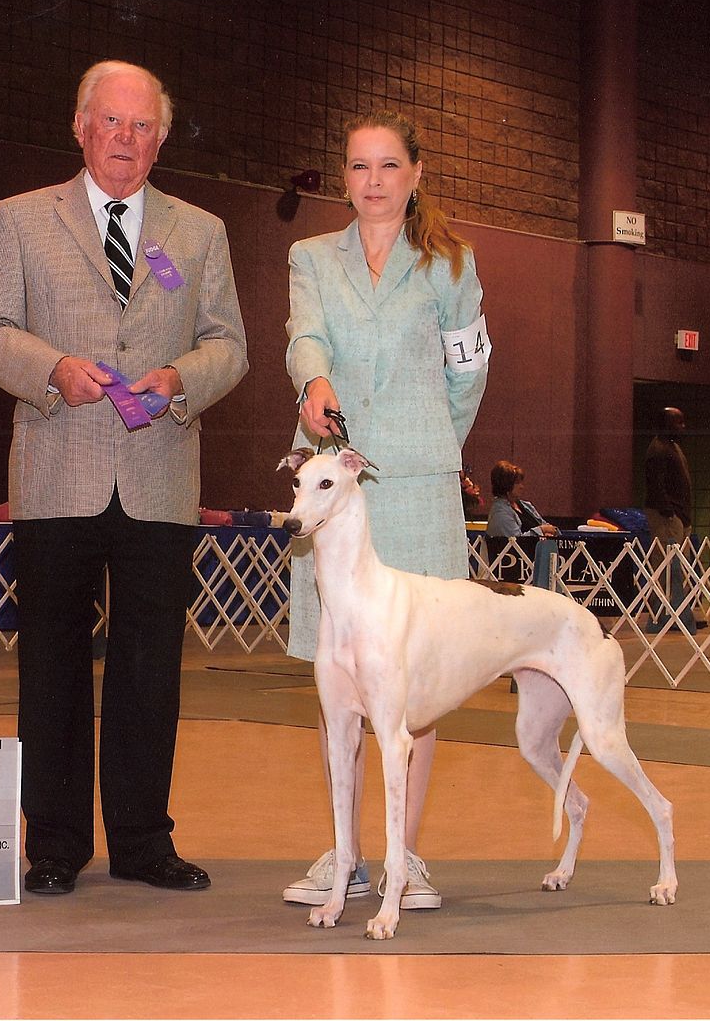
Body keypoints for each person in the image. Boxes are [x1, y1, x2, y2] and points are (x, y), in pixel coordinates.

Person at [0, 60, 248, 897]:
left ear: (161, 140)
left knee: (151, 667)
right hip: (58, 473)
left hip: (159, 477)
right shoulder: (20, 219)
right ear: (81, 127)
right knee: (50, 664)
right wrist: (53, 369)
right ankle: (53, 844)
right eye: (112, 122)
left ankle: (143, 841)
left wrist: (180, 379)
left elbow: (229, 344)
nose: (125, 138)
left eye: (142, 125)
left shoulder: (201, 231)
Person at [283, 109, 489, 912]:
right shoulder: (311, 257)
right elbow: (304, 337)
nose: (374, 181)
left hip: (418, 489)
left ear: (415, 174)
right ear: (344, 177)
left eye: (389, 165)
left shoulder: (451, 263)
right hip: (332, 485)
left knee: (414, 680)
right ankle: (346, 854)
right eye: (360, 166)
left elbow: (468, 371)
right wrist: (313, 383)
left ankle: (407, 856)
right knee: (338, 677)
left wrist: (433, 442)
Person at [643, 406, 703, 629]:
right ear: (666, 424)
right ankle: (660, 616)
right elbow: (656, 485)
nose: (683, 427)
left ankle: (678, 612)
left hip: (680, 516)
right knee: (666, 566)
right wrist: (669, 512)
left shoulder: (673, 447)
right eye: (678, 422)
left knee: (680, 568)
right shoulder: (658, 450)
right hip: (667, 516)